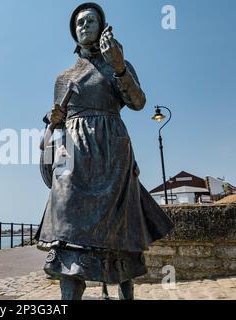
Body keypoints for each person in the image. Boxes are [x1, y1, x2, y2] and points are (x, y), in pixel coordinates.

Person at [35, 2, 174, 300]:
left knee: (120, 232)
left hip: (112, 153)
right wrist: (53, 126)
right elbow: (55, 125)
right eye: (79, 23)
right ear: (73, 32)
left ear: (102, 27)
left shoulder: (117, 62)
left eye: (91, 21)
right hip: (73, 158)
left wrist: (120, 66)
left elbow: (138, 103)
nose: (84, 26)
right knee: (68, 235)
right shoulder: (62, 77)